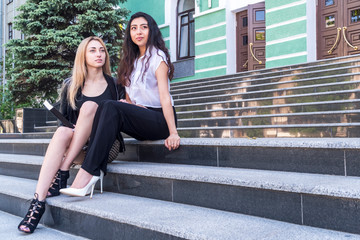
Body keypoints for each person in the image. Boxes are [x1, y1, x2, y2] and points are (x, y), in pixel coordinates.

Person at [60, 12, 180, 198]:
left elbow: (165, 97)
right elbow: (133, 95)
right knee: (109, 105)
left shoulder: (158, 57)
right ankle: (91, 170)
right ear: (129, 34)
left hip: (160, 119)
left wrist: (173, 132)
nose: (138, 32)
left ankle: (87, 175)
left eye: (143, 27)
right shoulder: (131, 61)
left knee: (109, 105)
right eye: (134, 28)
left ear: (152, 31)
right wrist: (129, 105)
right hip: (143, 117)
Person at [18, 36, 124, 234]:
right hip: (77, 146)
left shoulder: (115, 85)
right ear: (83, 56)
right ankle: (37, 203)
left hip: (106, 147)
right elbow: (63, 121)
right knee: (62, 131)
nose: (99, 54)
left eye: (102, 50)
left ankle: (62, 172)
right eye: (92, 50)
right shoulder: (71, 85)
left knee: (90, 107)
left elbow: (119, 119)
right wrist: (77, 129)